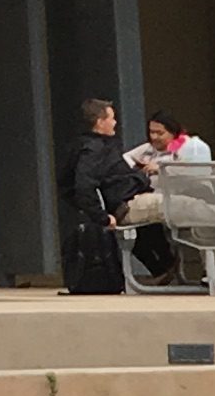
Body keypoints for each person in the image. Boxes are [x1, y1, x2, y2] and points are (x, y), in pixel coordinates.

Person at [62, 98, 161, 291]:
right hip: (125, 204)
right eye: (112, 118)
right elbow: (84, 185)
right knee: (179, 206)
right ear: (100, 122)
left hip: (124, 200)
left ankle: (163, 268)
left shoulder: (86, 146)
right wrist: (101, 217)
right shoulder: (95, 149)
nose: (115, 122)